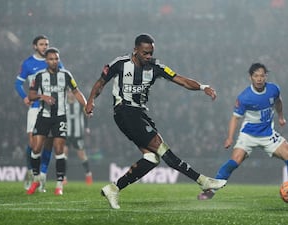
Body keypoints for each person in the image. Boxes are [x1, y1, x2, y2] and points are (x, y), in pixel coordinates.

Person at [85, 33, 227, 209]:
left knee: (152, 158)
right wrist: (91, 100)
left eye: (150, 52)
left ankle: (114, 188)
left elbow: (181, 80)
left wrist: (202, 86)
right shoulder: (119, 64)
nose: (148, 56)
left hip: (141, 114)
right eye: (145, 53)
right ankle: (203, 180)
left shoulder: (156, 67)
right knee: (162, 148)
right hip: (125, 112)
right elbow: (100, 82)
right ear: (135, 50)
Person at [197, 63, 288, 200]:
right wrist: (230, 137)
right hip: (248, 136)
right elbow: (235, 118)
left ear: (266, 77)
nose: (259, 79)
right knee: (234, 161)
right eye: (256, 76)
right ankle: (211, 191)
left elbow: (278, 102)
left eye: (262, 76)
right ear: (250, 77)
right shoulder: (244, 97)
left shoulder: (273, 89)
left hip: (268, 134)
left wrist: (281, 117)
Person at [27, 47, 87, 195]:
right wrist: (43, 97)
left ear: (58, 60)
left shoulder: (66, 75)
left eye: (56, 59)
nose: (54, 61)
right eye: (51, 59)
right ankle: (36, 180)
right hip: (44, 116)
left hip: (60, 117)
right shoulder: (39, 76)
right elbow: (31, 95)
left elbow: (76, 92)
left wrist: (86, 106)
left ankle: (59, 185)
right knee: (36, 149)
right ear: (46, 61)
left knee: (59, 150)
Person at [14, 35, 63, 192]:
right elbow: (18, 83)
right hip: (35, 107)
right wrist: (25, 98)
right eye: (42, 44)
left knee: (48, 143)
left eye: (46, 44)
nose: (44, 46)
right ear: (35, 46)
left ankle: (42, 176)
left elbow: (63, 80)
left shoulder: (54, 61)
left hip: (51, 110)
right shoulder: (28, 63)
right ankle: (31, 173)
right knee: (33, 144)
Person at [63, 90, 93, 185]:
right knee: (64, 155)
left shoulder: (79, 103)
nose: (70, 94)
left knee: (81, 155)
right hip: (66, 133)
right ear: (67, 94)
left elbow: (85, 115)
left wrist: (87, 127)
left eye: (72, 92)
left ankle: (88, 174)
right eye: (68, 92)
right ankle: (63, 177)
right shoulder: (63, 103)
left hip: (78, 133)